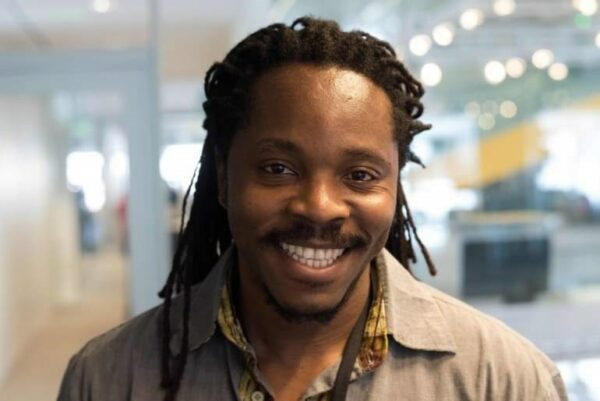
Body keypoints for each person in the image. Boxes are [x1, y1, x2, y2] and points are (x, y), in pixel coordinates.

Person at [57, 17, 568, 401]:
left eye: (360, 175)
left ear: (396, 187)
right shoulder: (106, 379)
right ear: (225, 179)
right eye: (278, 168)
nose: (320, 208)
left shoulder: (504, 382)